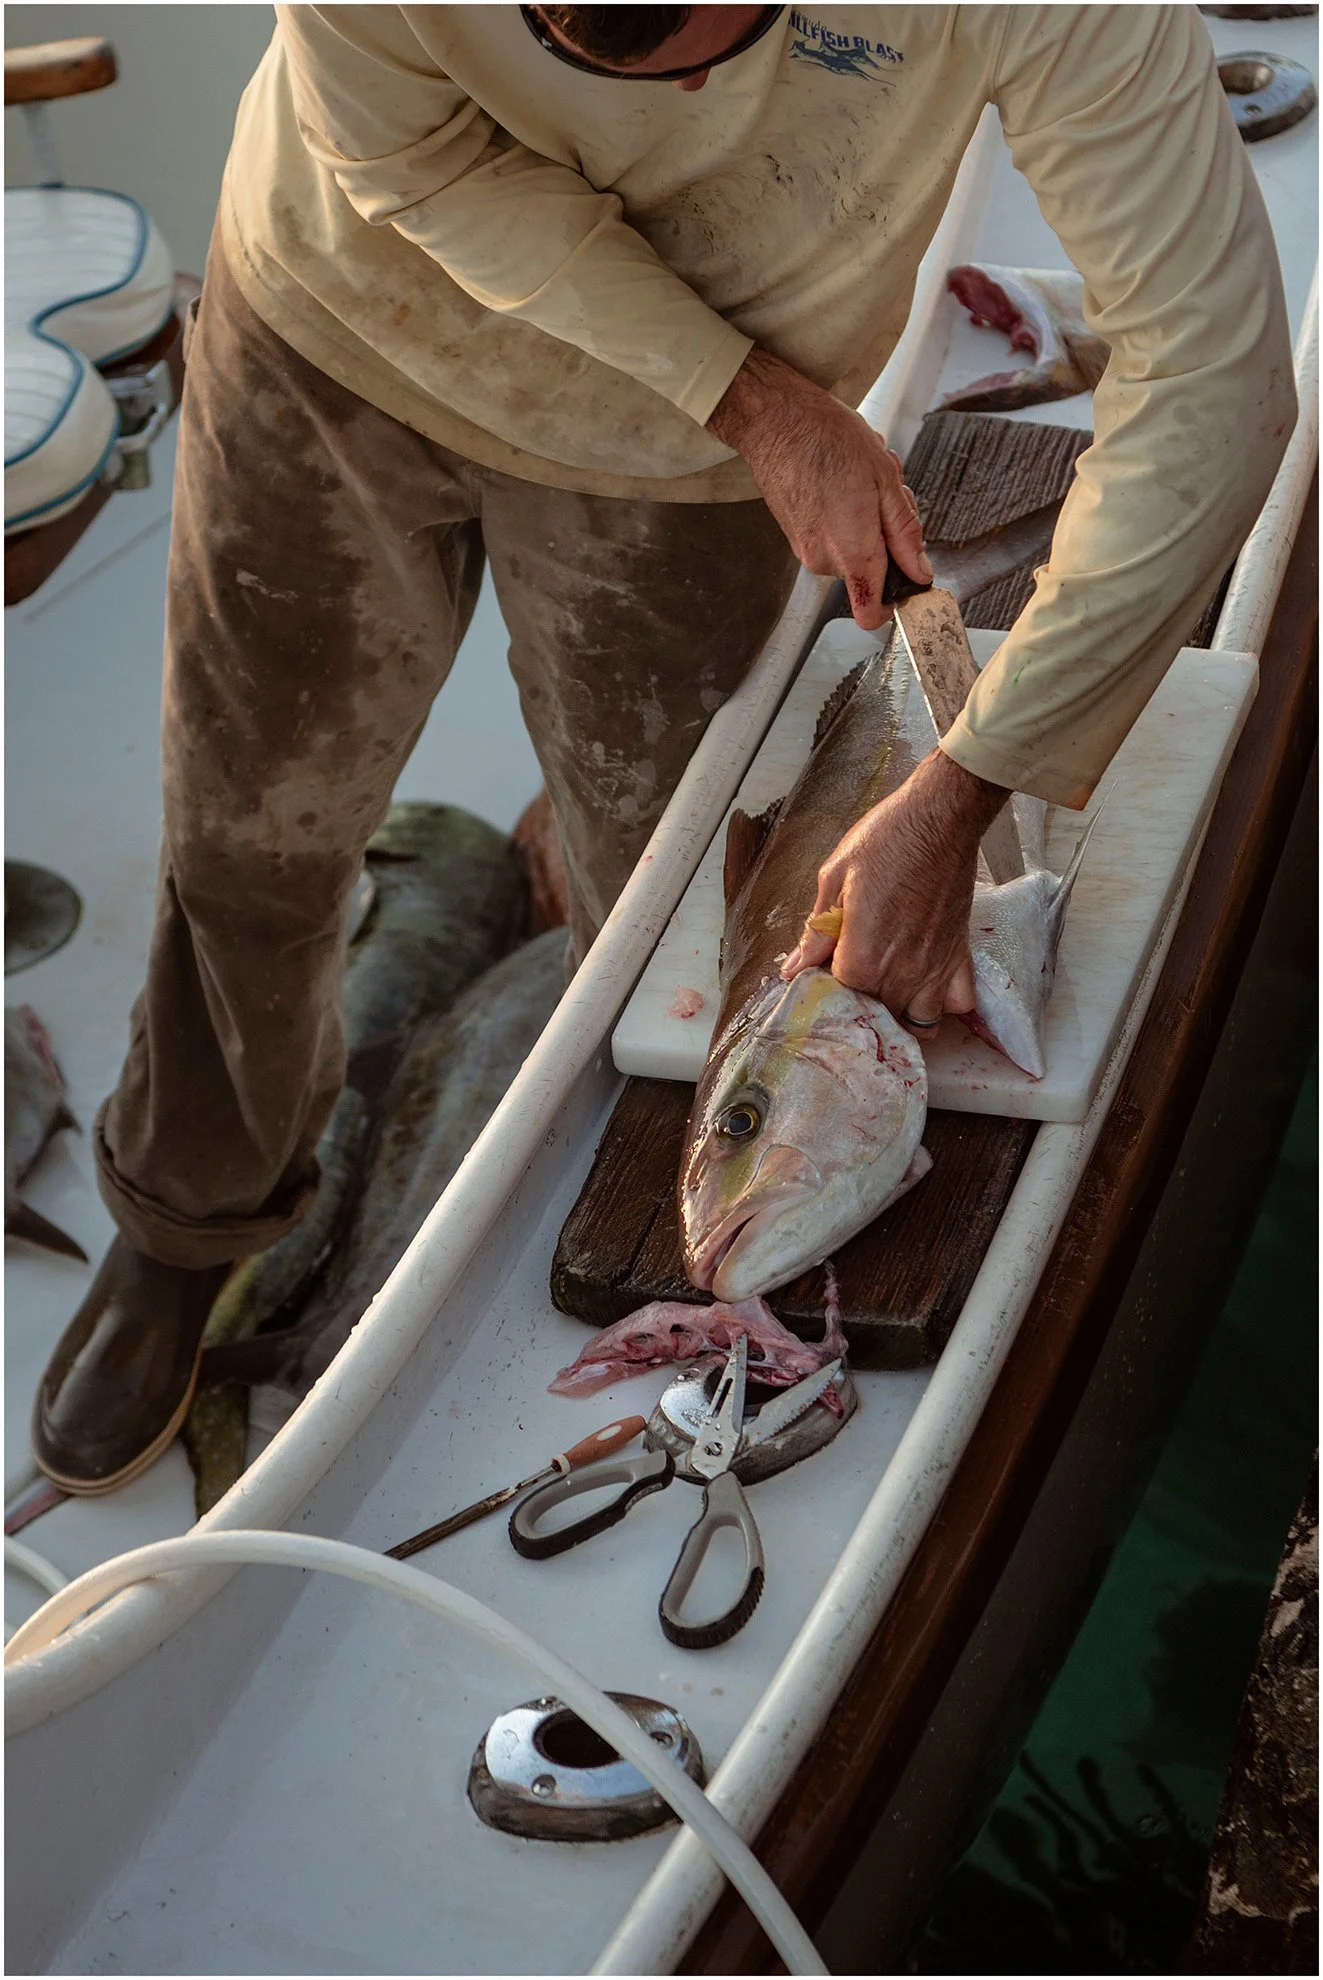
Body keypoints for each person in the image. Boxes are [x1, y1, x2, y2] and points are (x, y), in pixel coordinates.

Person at [31, 4, 1293, 1494]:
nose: (690, 92)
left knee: (671, 912)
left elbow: (1210, 375)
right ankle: (186, 1218)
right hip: (340, 318)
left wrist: (963, 793)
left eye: (720, 44)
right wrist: (757, 407)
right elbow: (418, 165)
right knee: (249, 839)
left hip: (688, 427)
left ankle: (674, 1228)